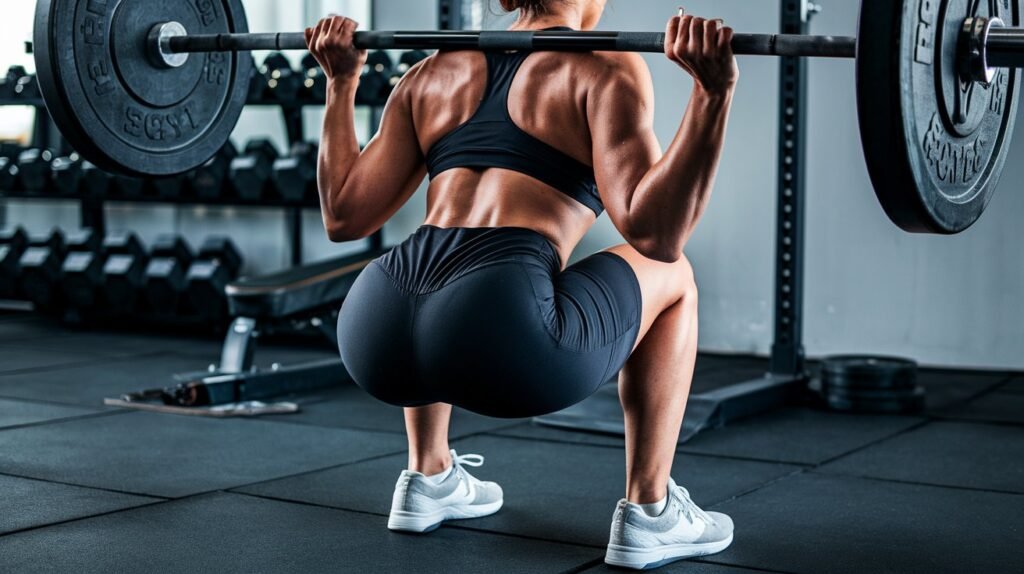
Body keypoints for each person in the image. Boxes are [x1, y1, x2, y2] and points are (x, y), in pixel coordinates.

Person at [305, 0, 738, 569]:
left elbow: (342, 216)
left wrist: (342, 82)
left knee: (448, 268)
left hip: (377, 321)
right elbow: (657, 234)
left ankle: (427, 473)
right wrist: (712, 97)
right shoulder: (601, 68)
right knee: (674, 276)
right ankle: (650, 512)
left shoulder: (432, 71)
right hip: (499, 330)